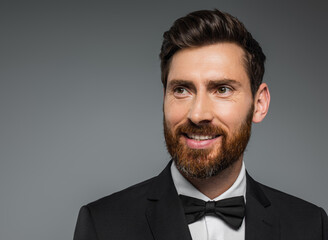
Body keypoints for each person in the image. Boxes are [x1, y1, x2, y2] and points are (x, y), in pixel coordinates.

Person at [73, 9, 328, 240]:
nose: (197, 114)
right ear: (164, 99)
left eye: (222, 89)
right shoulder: (102, 225)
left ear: (259, 103)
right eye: (182, 90)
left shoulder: (310, 225)